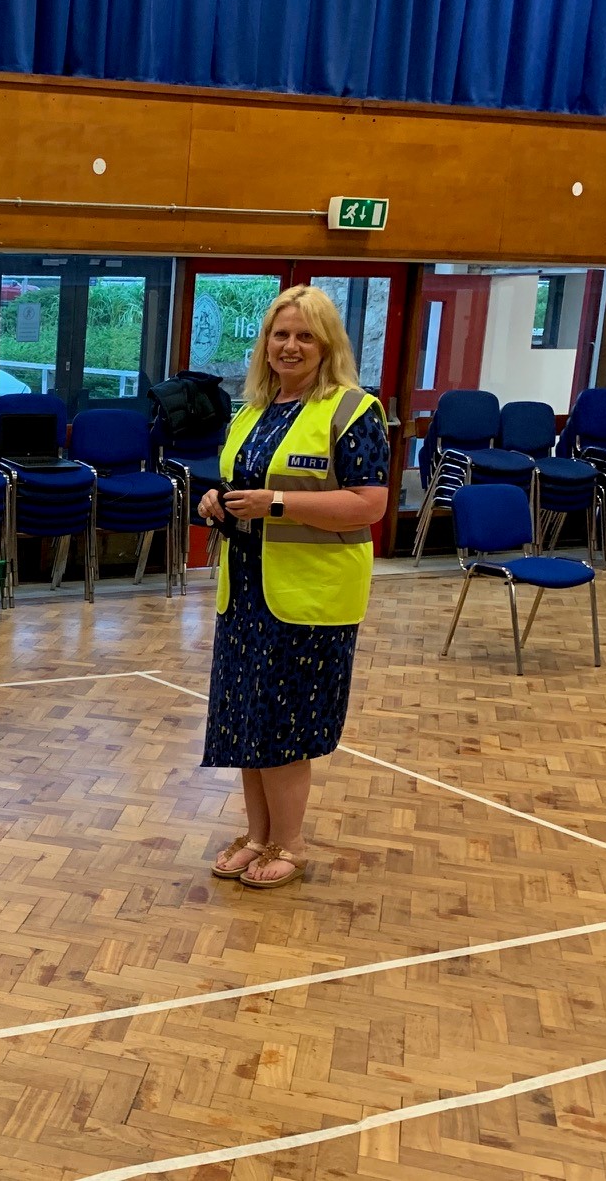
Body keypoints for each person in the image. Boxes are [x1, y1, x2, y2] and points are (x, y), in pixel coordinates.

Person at [197, 285, 390, 890]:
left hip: (309, 599)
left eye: (305, 335)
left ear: (327, 344)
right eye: (281, 334)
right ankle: (258, 836)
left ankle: (291, 843)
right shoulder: (251, 410)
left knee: (284, 727)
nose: (291, 345)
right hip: (247, 592)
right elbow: (241, 490)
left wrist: (276, 504)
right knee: (248, 720)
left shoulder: (353, 410)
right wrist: (217, 503)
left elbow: (369, 505)